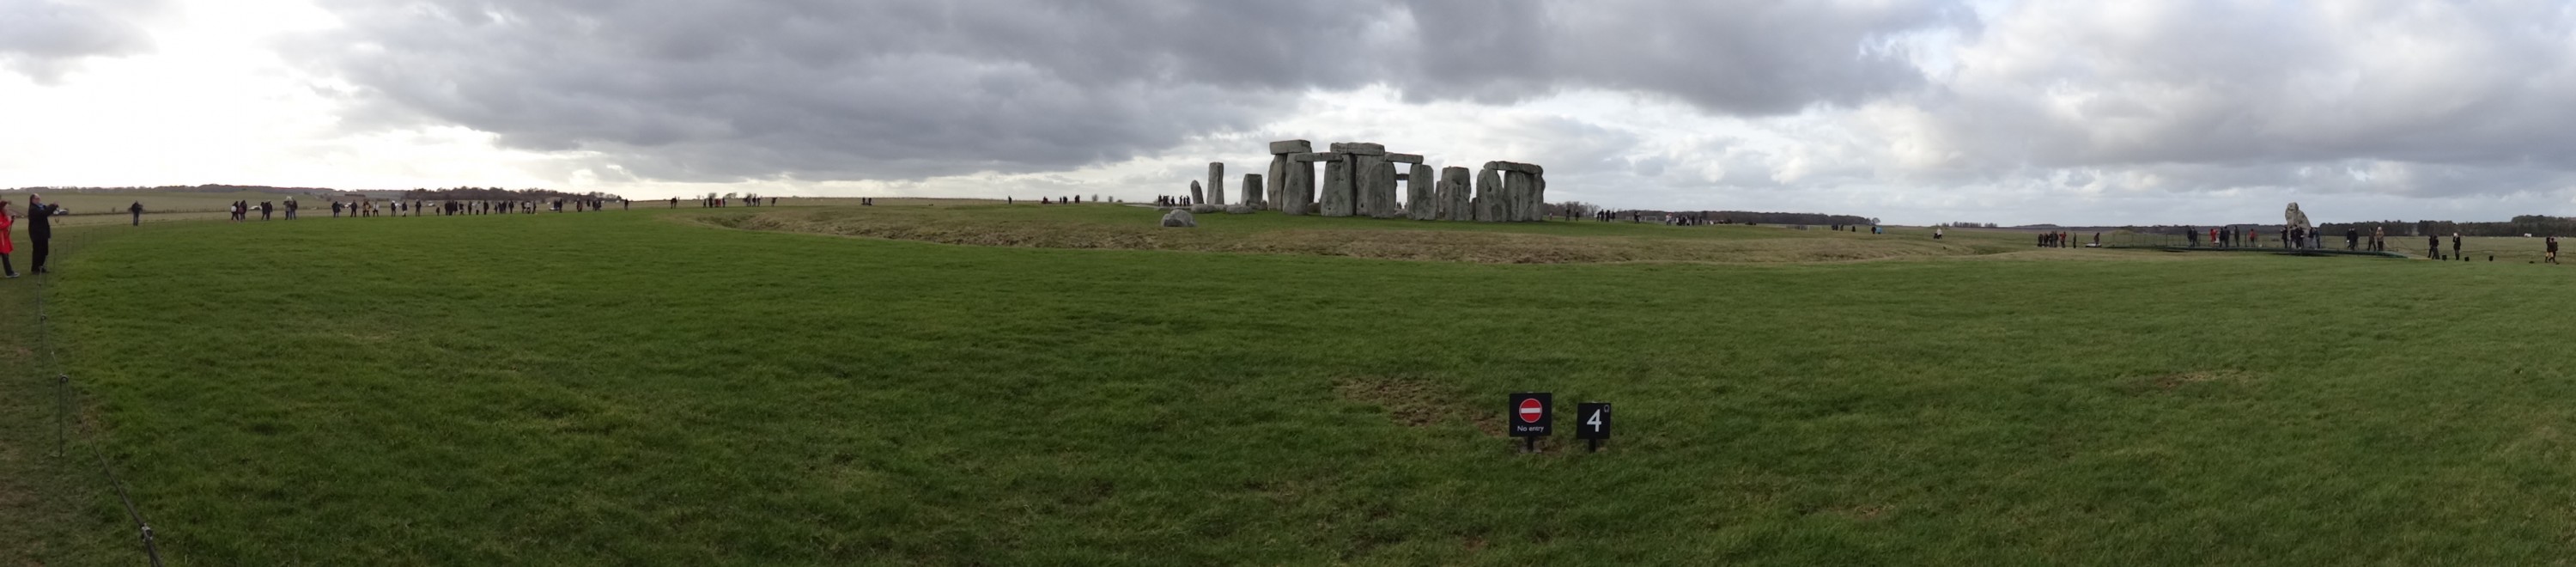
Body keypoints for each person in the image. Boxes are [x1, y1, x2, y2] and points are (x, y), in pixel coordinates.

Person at [26, 194, 55, 275]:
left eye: (39, 198)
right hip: (37, 234)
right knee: (38, 251)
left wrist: (53, 206)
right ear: (32, 200)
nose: (39, 200)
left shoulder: (40, 207)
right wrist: (53, 206)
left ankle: (41, 267)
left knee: (44, 251)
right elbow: (44, 213)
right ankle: (35, 269)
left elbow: (47, 210)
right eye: (37, 199)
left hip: (43, 233)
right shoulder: (33, 209)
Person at [0, 199, 17, 278]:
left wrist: (11, 220)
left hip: (3, 239)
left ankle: (9, 272)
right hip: (1, 240)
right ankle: (9, 273)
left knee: (5, 256)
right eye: (6, 207)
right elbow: (1, 226)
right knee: (5, 256)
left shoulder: (3, 215)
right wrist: (9, 222)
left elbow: (6, 224)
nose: (7, 209)